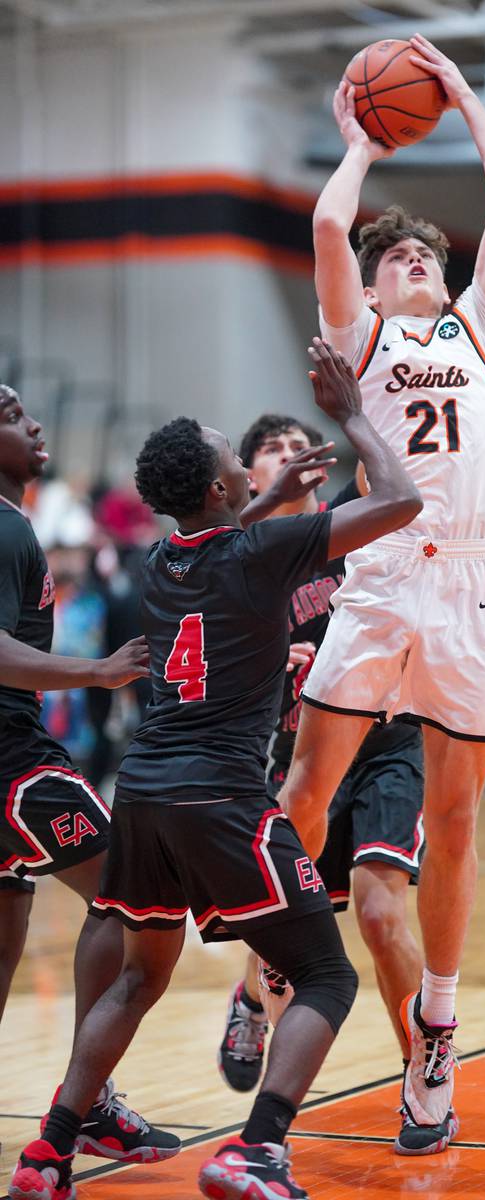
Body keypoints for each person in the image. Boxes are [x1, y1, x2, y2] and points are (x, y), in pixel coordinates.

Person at [10, 341, 422, 1200]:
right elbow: (401, 499)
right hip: (224, 797)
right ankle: (257, 1149)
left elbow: (222, 536)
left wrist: (262, 498)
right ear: (220, 490)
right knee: (324, 973)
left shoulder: (161, 564)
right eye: (234, 455)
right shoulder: (263, 554)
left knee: (137, 975)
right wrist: (352, 416)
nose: (243, 460)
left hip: (144, 795)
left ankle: (47, 1155)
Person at [277, 33, 485, 1153]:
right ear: (375, 287)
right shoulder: (362, 333)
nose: (416, 263)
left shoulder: (481, 327)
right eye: (402, 260)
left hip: (473, 582)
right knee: (301, 797)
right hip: (380, 579)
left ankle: (435, 1024)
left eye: (428, 256)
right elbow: (332, 227)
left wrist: (462, 93)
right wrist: (359, 141)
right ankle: (272, 965)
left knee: (457, 815)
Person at [218, 413, 431, 1151]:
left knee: (379, 915)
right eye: (271, 448)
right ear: (250, 476)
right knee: (286, 927)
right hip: (294, 760)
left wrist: (367, 387)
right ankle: (251, 999)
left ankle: (423, 1083)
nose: (288, 454)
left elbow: (392, 465)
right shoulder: (239, 558)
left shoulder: (350, 520)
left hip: (383, 744)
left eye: (296, 442)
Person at [0, 382, 180, 1165]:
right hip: (14, 765)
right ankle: (90, 1098)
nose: (33, 422)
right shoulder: (2, 530)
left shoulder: (16, 525)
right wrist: (99, 672)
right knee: (130, 890)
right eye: (9, 415)